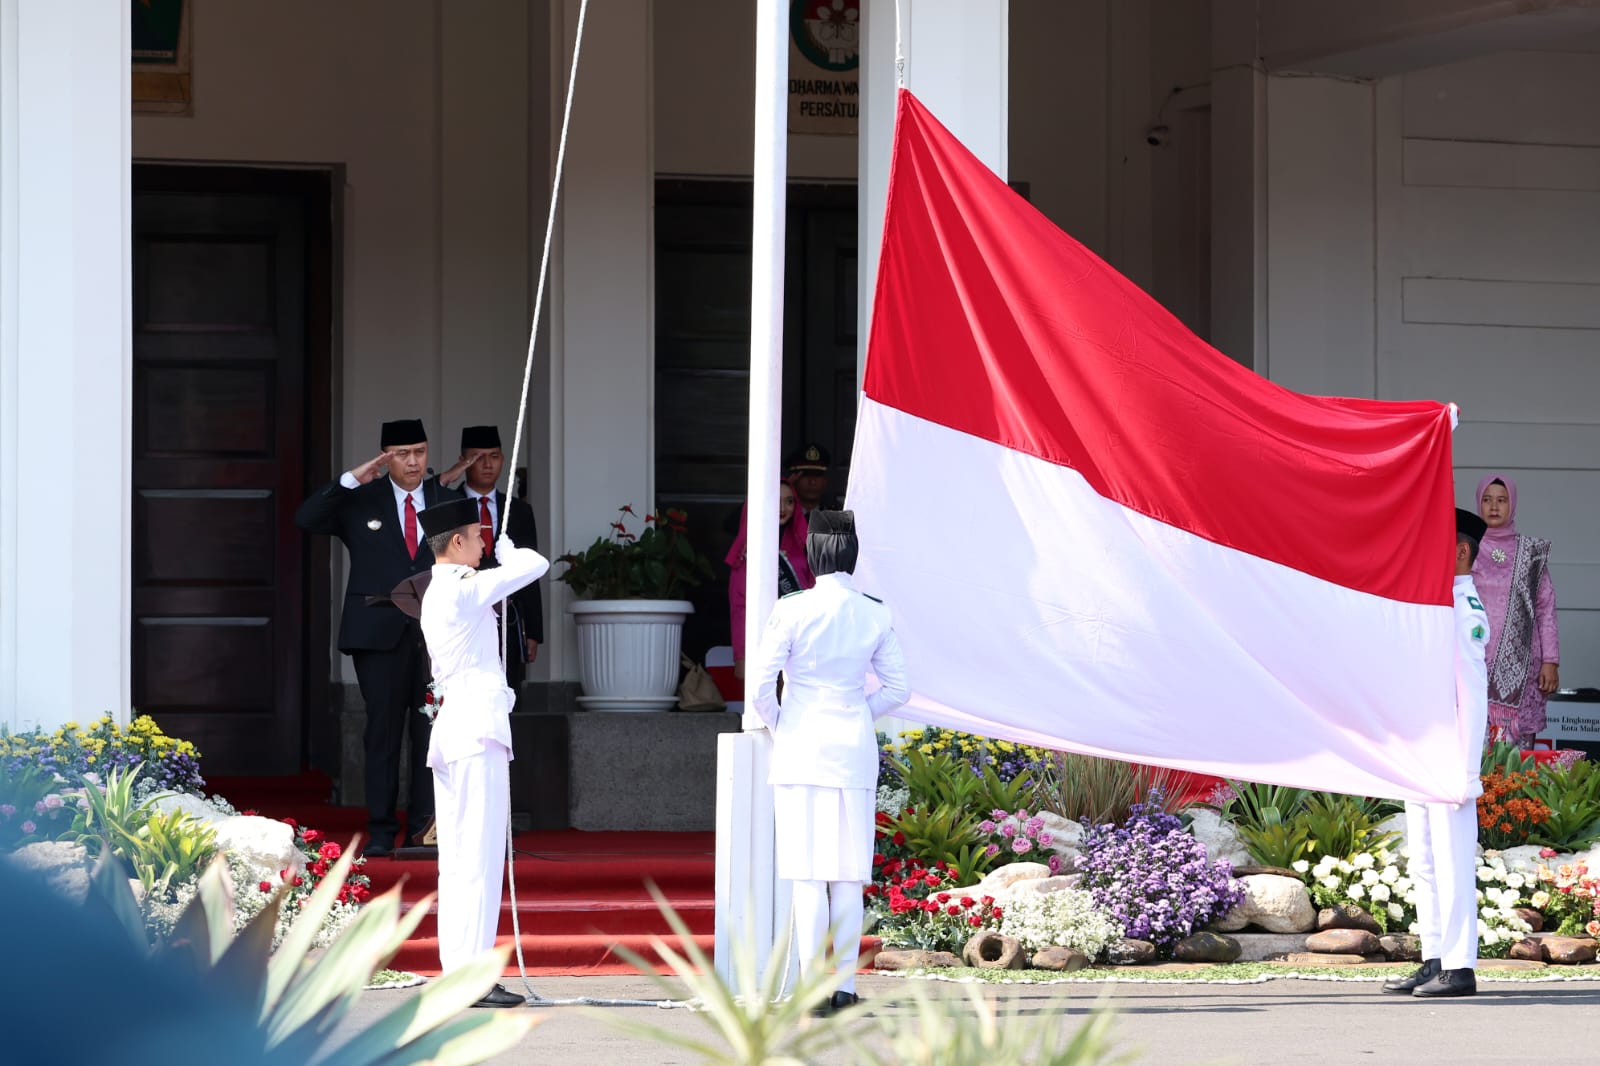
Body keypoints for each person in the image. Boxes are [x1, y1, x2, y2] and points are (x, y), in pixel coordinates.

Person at [750, 509, 910, 1015]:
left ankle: (811, 987)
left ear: (813, 552)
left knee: (806, 875)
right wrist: (857, 712)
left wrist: (784, 724)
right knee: (846, 877)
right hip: (852, 747)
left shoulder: (792, 607)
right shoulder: (874, 611)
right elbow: (899, 688)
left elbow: (759, 687)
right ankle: (844, 987)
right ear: (852, 552)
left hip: (802, 747)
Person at [294, 419, 457, 857]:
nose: (413, 461)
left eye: (419, 451)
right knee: (382, 732)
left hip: (434, 637)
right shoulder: (360, 498)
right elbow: (306, 519)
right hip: (377, 632)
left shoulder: (446, 497)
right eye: (402, 453)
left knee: (431, 733)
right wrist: (350, 480)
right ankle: (382, 827)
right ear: (385, 457)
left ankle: (425, 826)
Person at [416, 496, 550, 1008]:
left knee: (459, 858)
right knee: (478, 856)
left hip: (457, 733)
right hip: (475, 734)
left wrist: (502, 555)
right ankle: (470, 975)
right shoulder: (462, 588)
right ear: (456, 542)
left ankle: (460, 970)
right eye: (478, 536)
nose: (484, 544)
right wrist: (514, 550)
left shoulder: (442, 590)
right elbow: (534, 566)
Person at [1383, 507, 1490, 999]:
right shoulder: (1432, 605)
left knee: (1451, 861)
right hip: (1422, 751)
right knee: (1424, 861)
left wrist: (1467, 768)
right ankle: (1434, 957)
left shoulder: (1464, 610)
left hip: (1449, 757)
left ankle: (1460, 966)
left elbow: (1472, 693)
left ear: (1462, 551)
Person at [436, 425, 546, 689]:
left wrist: (534, 632)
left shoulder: (519, 510)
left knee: (508, 693)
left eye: (494, 456)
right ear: (464, 461)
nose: (487, 464)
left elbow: (530, 574)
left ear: (504, 460)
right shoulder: (447, 503)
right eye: (478, 457)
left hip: (508, 619)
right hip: (463, 620)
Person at [1472, 474, 1560, 748]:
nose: (1494, 507)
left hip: (1522, 669)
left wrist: (1551, 661)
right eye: (1487, 500)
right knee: (1474, 747)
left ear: (1513, 504)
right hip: (1475, 661)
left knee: (1517, 760)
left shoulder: (1531, 553)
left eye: (1501, 500)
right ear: (1479, 504)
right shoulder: (1465, 548)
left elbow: (1546, 608)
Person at [726, 479, 814, 677]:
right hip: (761, 638)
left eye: (789, 501)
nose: (783, 508)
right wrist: (741, 655)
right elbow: (739, 606)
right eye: (776, 500)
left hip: (799, 641)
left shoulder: (806, 546)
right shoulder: (746, 550)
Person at [785, 442, 838, 519]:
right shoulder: (781, 516)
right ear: (794, 479)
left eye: (817, 475)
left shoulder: (836, 517)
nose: (812, 482)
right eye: (806, 475)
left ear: (825, 481)